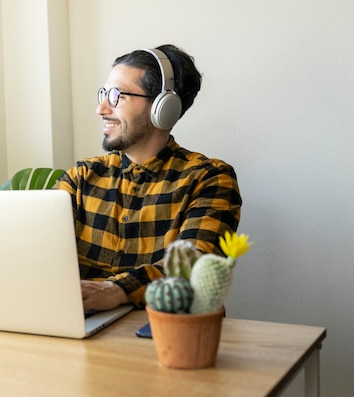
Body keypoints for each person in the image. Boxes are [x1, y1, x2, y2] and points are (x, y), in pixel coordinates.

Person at [56, 45, 241, 311]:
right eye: (104, 93)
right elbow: (40, 250)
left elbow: (197, 266)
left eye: (117, 96)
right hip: (78, 321)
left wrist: (117, 290)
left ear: (162, 108)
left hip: (165, 328)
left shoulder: (208, 178)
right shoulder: (81, 177)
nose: (101, 108)